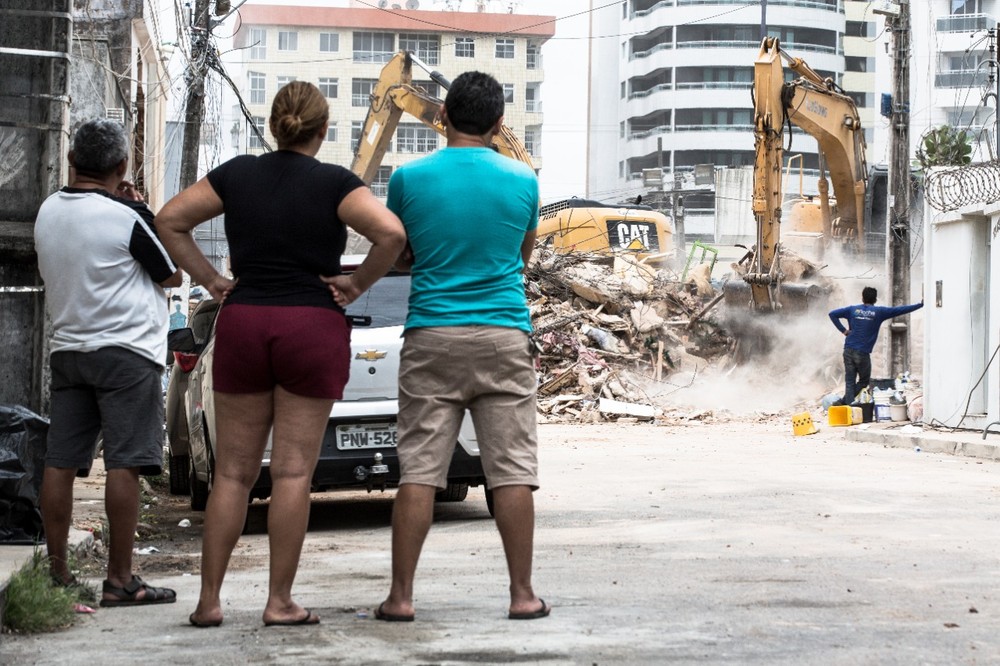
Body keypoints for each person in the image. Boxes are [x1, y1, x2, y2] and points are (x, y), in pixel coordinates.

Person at [156, 81, 405, 628]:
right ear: (322, 130)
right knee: (293, 474)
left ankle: (208, 603)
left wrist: (215, 281)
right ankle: (279, 602)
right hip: (311, 326)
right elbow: (390, 233)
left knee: (233, 476)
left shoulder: (238, 174)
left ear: (274, 125)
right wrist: (355, 284)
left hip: (244, 322)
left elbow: (169, 220)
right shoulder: (336, 183)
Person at [367, 71, 550, 622]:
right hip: (502, 334)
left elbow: (401, 251)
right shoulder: (524, 180)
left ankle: (400, 598)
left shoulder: (408, 178)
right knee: (512, 470)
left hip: (432, 334)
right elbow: (520, 259)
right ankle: (522, 595)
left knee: (420, 471)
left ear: (442, 117)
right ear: (498, 124)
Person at [34, 118, 182, 607]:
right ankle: (121, 579)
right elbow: (171, 276)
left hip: (69, 352)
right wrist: (136, 206)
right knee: (125, 461)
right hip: (126, 355)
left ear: (72, 161)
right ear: (121, 167)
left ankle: (57, 573)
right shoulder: (127, 217)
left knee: (60, 462)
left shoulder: (47, 212)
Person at [829, 286, 923, 406]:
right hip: (862, 353)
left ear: (862, 298)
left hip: (848, 349)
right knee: (863, 381)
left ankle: (844, 405)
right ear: (875, 299)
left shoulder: (852, 310)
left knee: (849, 381)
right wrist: (920, 305)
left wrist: (844, 330)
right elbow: (900, 310)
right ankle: (845, 404)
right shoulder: (879, 312)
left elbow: (832, 314)